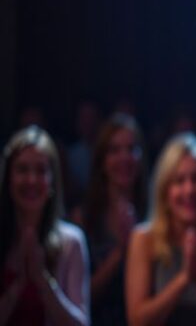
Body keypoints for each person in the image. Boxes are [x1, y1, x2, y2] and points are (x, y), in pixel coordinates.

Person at [125, 132, 196, 326]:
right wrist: (185, 278)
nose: (189, 190)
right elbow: (137, 321)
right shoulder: (144, 239)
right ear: (165, 189)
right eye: (179, 181)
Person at [0, 126, 89, 326]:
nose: (32, 180)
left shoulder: (71, 242)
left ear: (52, 181)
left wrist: (43, 280)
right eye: (22, 169)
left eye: (41, 170)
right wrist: (18, 285)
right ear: (8, 179)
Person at [72, 113, 147, 326]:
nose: (125, 157)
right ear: (102, 161)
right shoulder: (84, 218)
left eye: (131, 149)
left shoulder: (154, 213)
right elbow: (81, 297)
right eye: (115, 150)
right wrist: (120, 253)